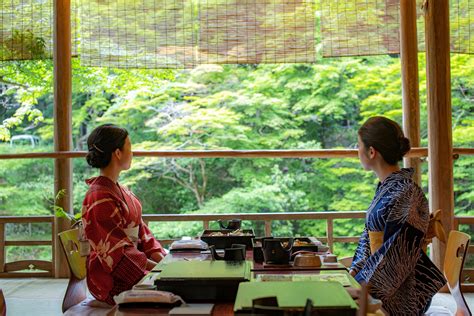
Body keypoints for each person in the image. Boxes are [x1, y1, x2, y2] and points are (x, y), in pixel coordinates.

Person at [349, 116, 446, 315]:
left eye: (358, 146)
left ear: (371, 151)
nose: (356, 151)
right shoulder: (389, 188)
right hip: (385, 285)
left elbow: (397, 253)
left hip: (403, 293)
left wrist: (363, 288)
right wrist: (354, 273)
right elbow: (368, 240)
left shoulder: (406, 193)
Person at [81, 124, 166, 305]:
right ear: (117, 153)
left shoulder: (123, 191)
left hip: (134, 266)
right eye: (130, 147)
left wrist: (166, 260)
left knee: (183, 282)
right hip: (112, 279)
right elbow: (117, 253)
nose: (132, 153)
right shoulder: (99, 197)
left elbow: (144, 235)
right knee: (179, 290)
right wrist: (159, 270)